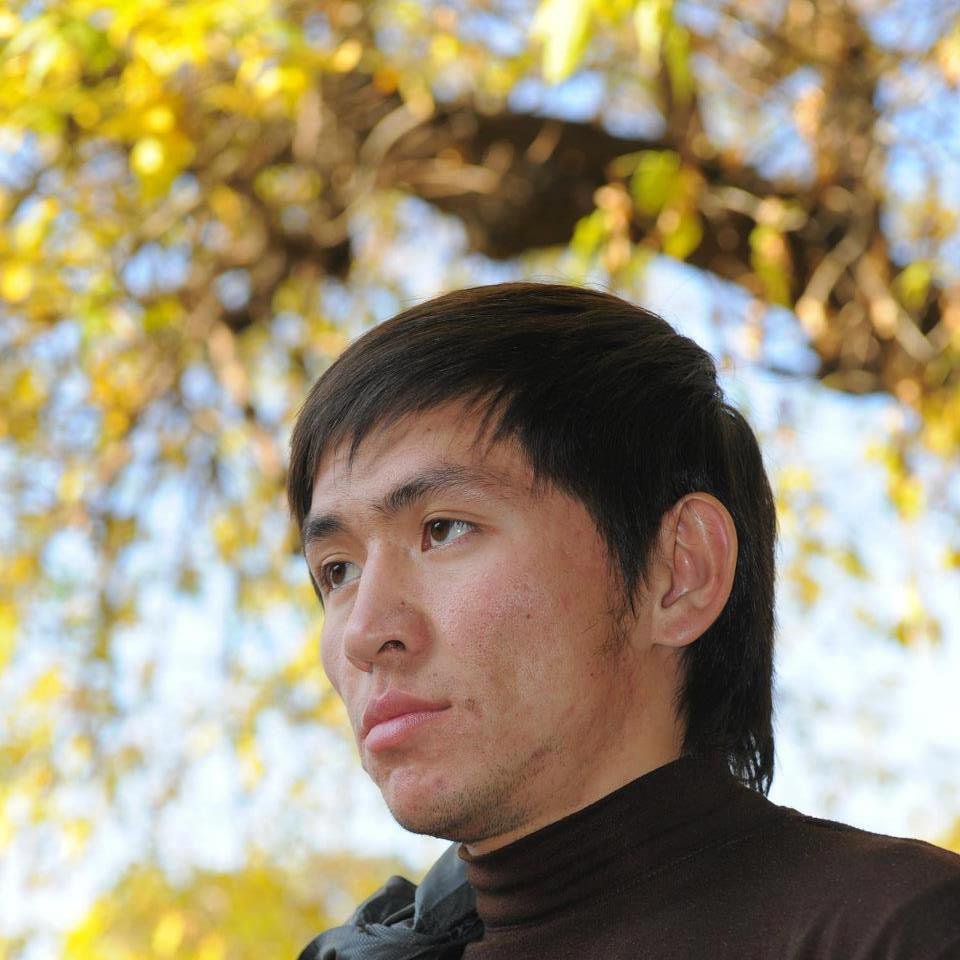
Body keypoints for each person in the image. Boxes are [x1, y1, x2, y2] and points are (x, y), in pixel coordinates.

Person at [286, 282, 960, 959]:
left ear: (680, 571)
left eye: (444, 529)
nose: (364, 633)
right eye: (337, 571)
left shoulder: (900, 932)